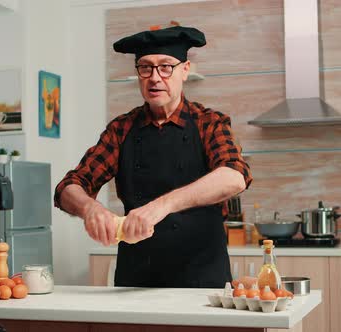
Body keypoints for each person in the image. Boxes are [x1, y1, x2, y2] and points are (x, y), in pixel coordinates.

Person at [54, 26, 252, 288]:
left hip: (203, 281)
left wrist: (161, 206)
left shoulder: (209, 123)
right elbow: (68, 186)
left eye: (166, 67)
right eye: (145, 68)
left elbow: (235, 176)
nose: (155, 78)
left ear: (185, 69)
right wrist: (90, 208)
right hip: (135, 282)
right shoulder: (121, 129)